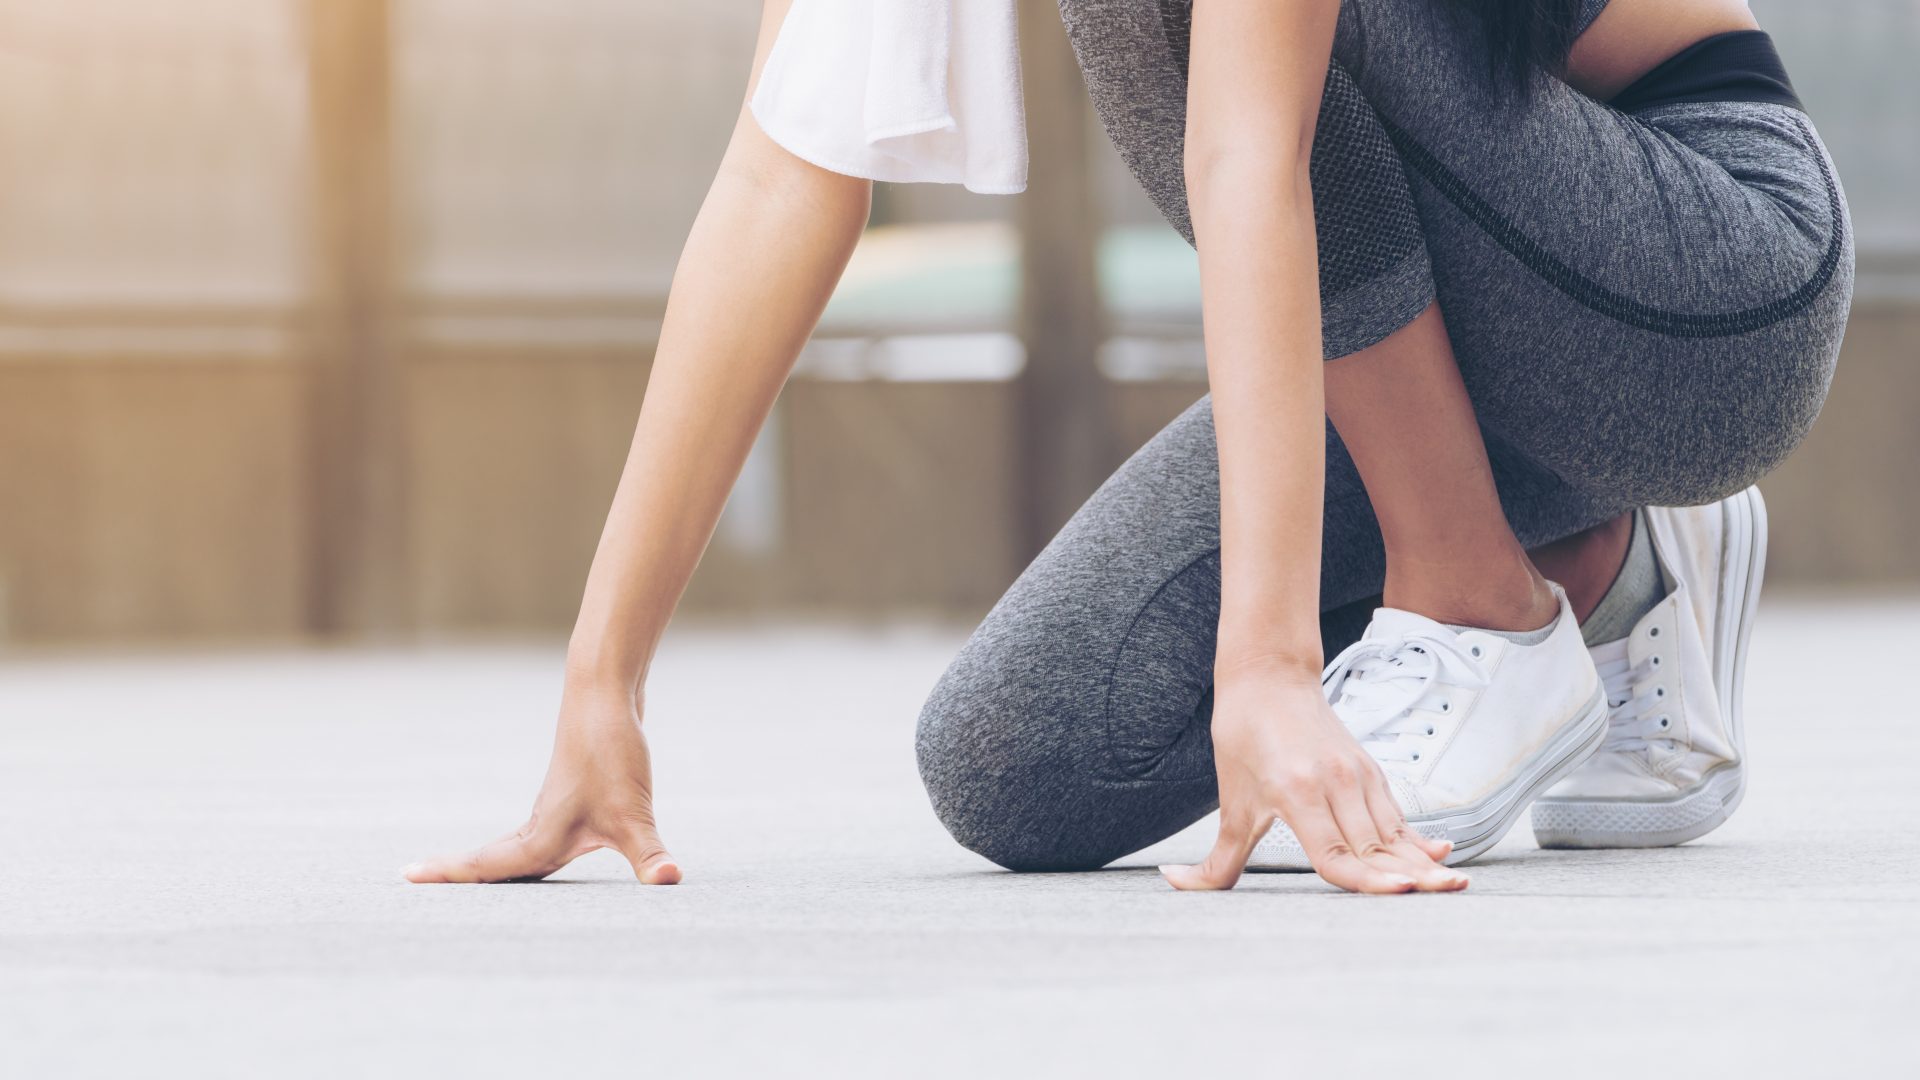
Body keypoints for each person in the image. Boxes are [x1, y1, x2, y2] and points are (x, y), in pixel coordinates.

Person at [403, 0, 1850, 894]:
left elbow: (1247, 149)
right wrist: (604, 685)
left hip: (1704, 286)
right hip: (1471, 339)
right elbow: (780, 168)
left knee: (1143, 5)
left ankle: (1475, 584)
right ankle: (1612, 553)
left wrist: (1270, 665)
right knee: (1013, 765)